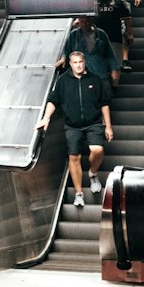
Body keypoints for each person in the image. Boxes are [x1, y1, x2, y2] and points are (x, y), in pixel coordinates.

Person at [37, 49, 113, 208]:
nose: (78, 65)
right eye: (75, 63)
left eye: (80, 62)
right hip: (72, 126)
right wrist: (46, 118)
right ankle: (79, 194)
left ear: (84, 62)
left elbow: (104, 104)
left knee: (97, 150)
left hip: (93, 123)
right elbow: (53, 101)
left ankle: (92, 174)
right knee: (74, 157)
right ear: (70, 64)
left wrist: (109, 127)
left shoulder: (95, 79)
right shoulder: (63, 81)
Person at [57, 14, 120, 88]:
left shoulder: (101, 34)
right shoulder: (73, 35)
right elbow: (67, 50)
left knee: (104, 96)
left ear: (91, 20)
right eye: (82, 22)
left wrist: (114, 69)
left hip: (100, 74)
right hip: (82, 76)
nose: (84, 25)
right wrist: (63, 58)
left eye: (86, 22)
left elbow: (110, 54)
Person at [96, 0, 140, 70]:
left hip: (115, 35)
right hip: (97, 37)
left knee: (115, 65)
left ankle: (124, 61)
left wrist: (129, 33)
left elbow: (127, 17)